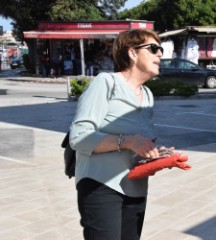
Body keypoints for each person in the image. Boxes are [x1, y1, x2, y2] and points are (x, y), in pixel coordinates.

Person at [69, 29, 165, 240]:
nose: (160, 54)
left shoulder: (147, 94)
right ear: (132, 53)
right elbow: (78, 136)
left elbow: (141, 142)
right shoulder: (106, 82)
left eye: (161, 50)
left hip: (136, 188)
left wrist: (157, 156)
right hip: (101, 186)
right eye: (153, 49)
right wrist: (128, 141)